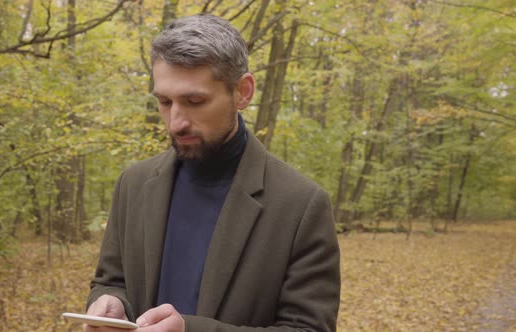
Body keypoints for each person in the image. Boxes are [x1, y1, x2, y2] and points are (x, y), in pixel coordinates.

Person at [84, 14, 340, 332]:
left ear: (243, 92)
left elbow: (308, 328)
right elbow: (111, 280)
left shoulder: (301, 205)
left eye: (194, 101)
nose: (176, 122)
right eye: (164, 102)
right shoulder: (134, 184)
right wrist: (110, 301)